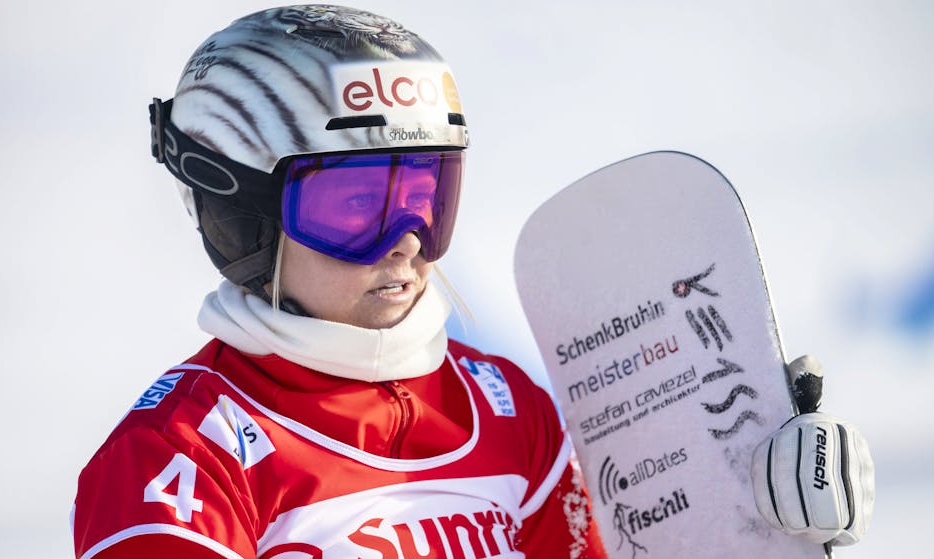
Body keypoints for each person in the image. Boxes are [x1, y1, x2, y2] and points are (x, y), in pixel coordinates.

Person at [71, 5, 872, 559]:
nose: (406, 238)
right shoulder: (173, 461)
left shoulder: (510, 412)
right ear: (242, 217)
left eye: (427, 194)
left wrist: (747, 519)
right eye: (356, 203)